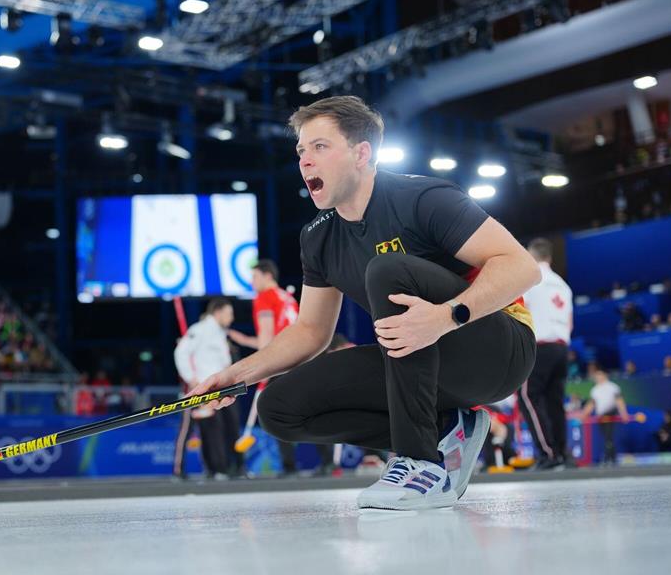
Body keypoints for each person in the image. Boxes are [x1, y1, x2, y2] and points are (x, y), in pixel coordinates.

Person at [185, 95, 539, 510]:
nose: (305, 161)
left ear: (361, 153)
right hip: (421, 363)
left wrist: (446, 316)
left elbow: (521, 267)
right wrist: (235, 374)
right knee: (279, 408)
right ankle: (447, 430)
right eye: (301, 150)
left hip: (497, 349)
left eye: (320, 147)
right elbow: (311, 331)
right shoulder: (318, 238)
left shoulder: (422, 198)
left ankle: (420, 464)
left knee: (386, 270)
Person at [228, 259, 333, 476]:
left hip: (281, 361)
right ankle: (327, 462)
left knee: (274, 412)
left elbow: (267, 338)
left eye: (255, 277)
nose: (252, 282)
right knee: (311, 410)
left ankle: (289, 466)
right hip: (304, 358)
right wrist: (246, 340)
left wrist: (263, 367)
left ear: (268, 276)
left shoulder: (264, 298)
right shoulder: (287, 297)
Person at [174, 299, 243, 479]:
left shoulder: (221, 334)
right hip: (203, 389)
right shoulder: (199, 329)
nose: (231, 318)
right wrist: (191, 378)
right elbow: (181, 353)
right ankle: (212, 469)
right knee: (207, 429)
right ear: (218, 312)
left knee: (226, 428)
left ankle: (228, 468)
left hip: (222, 388)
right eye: (229, 313)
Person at [519, 238, 573, 470]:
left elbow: (520, 309)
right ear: (549, 257)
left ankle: (547, 453)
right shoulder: (563, 285)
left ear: (531, 256)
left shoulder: (531, 279)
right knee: (555, 401)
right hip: (562, 346)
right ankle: (562, 453)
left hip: (540, 345)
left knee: (527, 396)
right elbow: (570, 322)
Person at [581, 367, 629, 465]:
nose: (597, 377)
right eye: (596, 375)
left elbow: (619, 401)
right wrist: (583, 415)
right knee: (607, 438)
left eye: (599, 374)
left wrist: (624, 413)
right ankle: (611, 457)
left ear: (604, 375)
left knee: (608, 437)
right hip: (601, 417)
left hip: (610, 414)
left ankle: (609, 458)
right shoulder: (595, 390)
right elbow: (591, 404)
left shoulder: (613, 387)